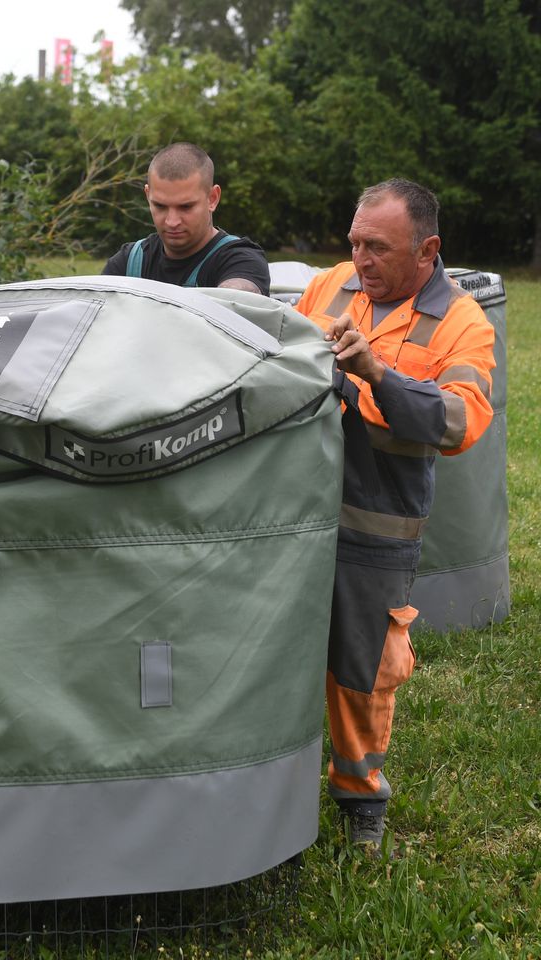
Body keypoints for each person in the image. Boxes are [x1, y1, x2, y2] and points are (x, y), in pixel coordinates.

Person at [297, 179, 495, 849]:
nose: (361, 261)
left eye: (377, 247)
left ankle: (360, 803)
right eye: (354, 243)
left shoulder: (463, 323)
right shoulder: (330, 286)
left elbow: (460, 419)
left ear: (427, 249)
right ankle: (275, 779)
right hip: (293, 510)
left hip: (374, 526)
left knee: (363, 671)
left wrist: (377, 373)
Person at [102, 142, 270, 295]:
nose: (172, 221)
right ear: (148, 196)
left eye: (186, 207)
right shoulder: (128, 263)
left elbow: (238, 300)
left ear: (212, 198)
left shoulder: (241, 261)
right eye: (160, 206)